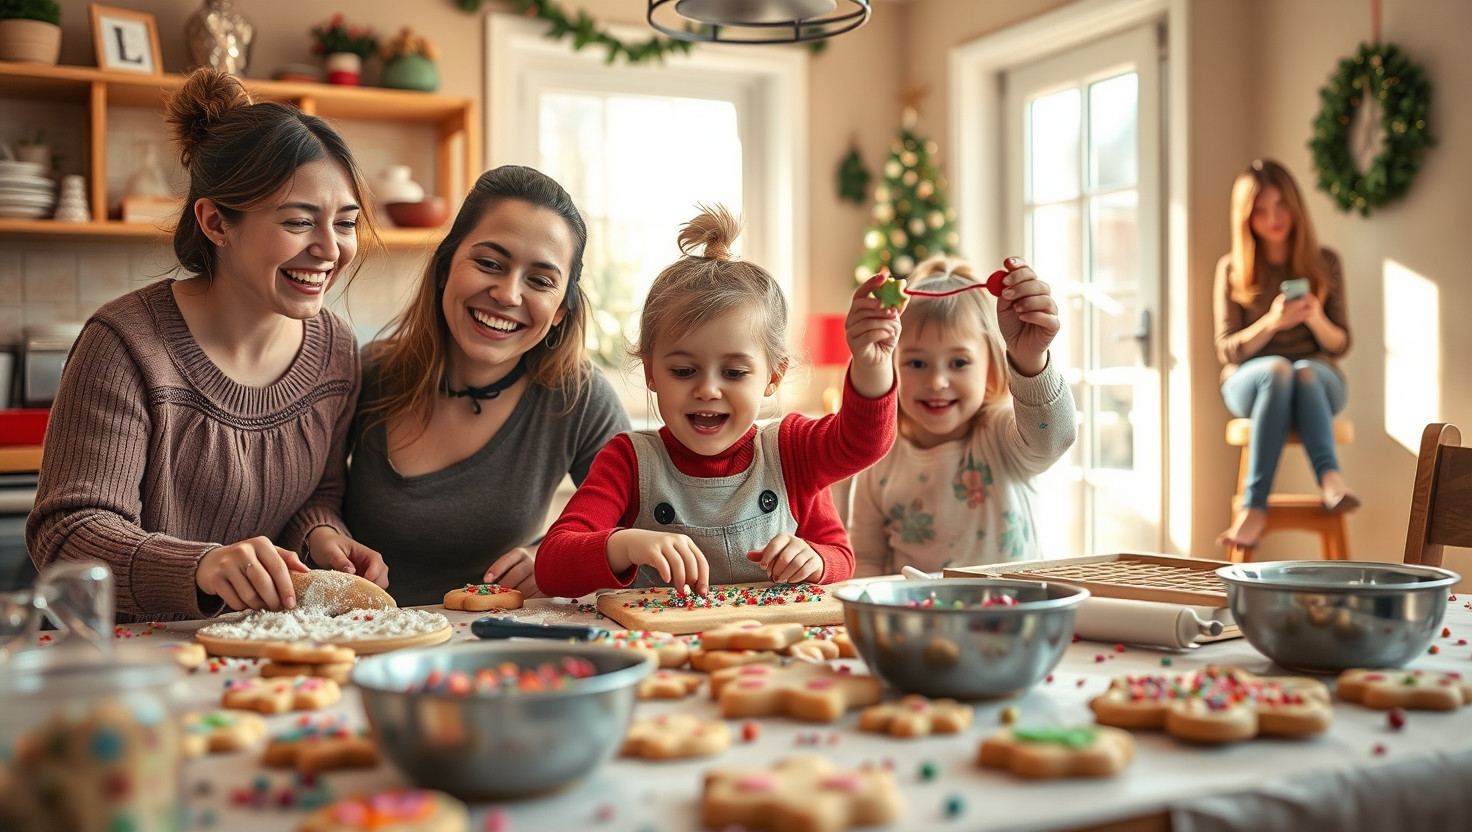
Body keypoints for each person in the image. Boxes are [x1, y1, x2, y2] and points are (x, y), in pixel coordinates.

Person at [26, 69, 387, 622]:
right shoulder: (125, 346)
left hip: (270, 650)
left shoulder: (336, 350)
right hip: (137, 653)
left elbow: (318, 493)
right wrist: (200, 566)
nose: (330, 249)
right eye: (299, 222)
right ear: (216, 223)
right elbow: (67, 534)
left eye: (345, 223)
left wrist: (322, 536)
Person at [535, 205, 899, 597]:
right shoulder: (628, 461)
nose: (708, 390)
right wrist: (624, 545)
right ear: (651, 372)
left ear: (773, 376)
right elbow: (552, 567)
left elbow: (862, 446)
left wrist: (816, 560)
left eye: (734, 372)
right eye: (684, 371)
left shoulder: (792, 452)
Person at [344, 165, 630, 607]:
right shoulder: (368, 372)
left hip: (500, 637)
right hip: (363, 631)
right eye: (489, 264)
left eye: (540, 281)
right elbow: (307, 504)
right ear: (445, 268)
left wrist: (553, 558)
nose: (508, 295)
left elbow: (633, 528)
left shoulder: (581, 397)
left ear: (560, 310)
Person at [849, 255, 1076, 576]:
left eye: (959, 363)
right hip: (918, 608)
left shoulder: (1002, 434)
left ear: (990, 366)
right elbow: (866, 559)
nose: (936, 382)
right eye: (916, 363)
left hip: (1015, 605)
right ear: (893, 364)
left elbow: (1053, 439)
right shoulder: (878, 458)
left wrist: (1030, 359)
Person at [1213, 158, 1356, 551]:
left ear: (1295, 206)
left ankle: (1330, 480)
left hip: (1316, 380)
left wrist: (1315, 318)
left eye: (1280, 206)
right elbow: (1227, 349)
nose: (1273, 218)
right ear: (1246, 217)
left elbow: (1341, 344)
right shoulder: (1232, 269)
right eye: (1260, 210)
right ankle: (1254, 507)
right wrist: (1271, 324)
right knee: (1278, 369)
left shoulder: (1325, 262)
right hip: (1252, 381)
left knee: (1303, 370)